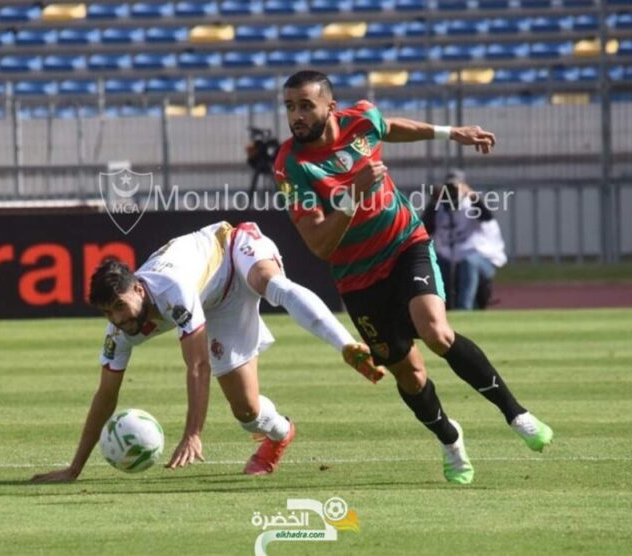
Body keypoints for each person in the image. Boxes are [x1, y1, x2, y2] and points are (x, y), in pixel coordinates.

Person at [274, 70, 552, 485]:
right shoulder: (289, 166)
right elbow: (319, 244)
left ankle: (517, 414)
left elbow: (391, 127)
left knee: (437, 331)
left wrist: (449, 132)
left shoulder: (363, 119)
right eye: (289, 107)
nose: (296, 115)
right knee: (409, 373)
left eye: (305, 105)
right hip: (357, 277)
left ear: (330, 106)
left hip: (404, 245)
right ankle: (450, 439)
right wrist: (353, 196)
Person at [31, 221, 384, 483]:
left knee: (272, 283)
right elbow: (106, 395)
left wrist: (193, 434)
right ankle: (280, 433)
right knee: (246, 412)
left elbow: (197, 365)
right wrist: (73, 469)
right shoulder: (120, 330)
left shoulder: (171, 289)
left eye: (120, 307)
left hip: (234, 249)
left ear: (139, 289)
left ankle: (346, 343)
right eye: (108, 313)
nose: (117, 319)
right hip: (215, 303)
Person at [423, 168, 507, 310]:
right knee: (434, 264)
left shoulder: (473, 206)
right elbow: (424, 230)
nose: (452, 192)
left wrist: (472, 195)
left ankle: (464, 310)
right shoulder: (440, 208)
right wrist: (433, 203)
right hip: (449, 259)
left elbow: (487, 218)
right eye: (448, 188)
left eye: (455, 187)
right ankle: (441, 309)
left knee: (468, 262)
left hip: (481, 260)